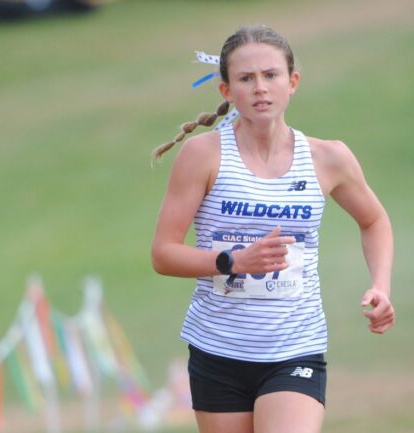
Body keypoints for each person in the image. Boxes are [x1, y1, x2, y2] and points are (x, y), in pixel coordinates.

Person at [150, 25, 396, 433]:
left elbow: (374, 220)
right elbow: (163, 253)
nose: (260, 88)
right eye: (246, 78)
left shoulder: (328, 158)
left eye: (270, 75)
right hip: (218, 349)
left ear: (292, 82)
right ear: (227, 90)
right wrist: (232, 261)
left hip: (295, 348)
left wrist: (381, 287)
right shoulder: (203, 155)